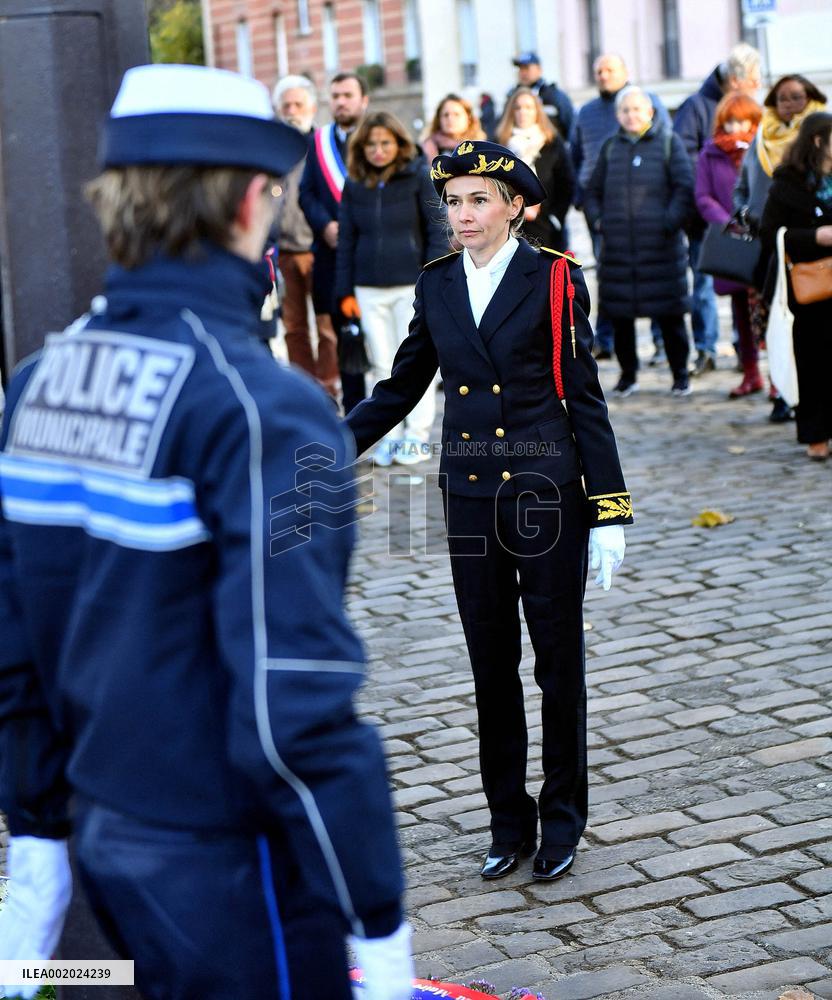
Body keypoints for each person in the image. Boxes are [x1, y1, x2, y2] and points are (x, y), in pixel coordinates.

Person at [0, 64, 412, 1000]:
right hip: (234, 859)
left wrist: (38, 838)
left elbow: (14, 649)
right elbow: (293, 696)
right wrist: (378, 927)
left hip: (107, 834)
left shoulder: (35, 383)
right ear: (253, 202)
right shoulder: (274, 413)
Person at [346, 139, 632, 883]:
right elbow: (402, 383)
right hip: (471, 498)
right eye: (454, 202)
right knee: (490, 663)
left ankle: (563, 817)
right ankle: (510, 820)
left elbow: (586, 400)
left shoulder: (556, 280)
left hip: (546, 494)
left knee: (557, 663)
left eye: (479, 200)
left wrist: (608, 509)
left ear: (514, 207)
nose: (463, 214)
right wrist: (323, 443)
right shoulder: (437, 285)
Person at [335, 111, 447, 466]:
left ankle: (416, 435)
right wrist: (345, 292)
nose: (378, 150)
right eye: (371, 144)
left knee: (414, 365)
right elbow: (347, 240)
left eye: (385, 143)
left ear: (398, 143)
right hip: (367, 286)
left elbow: (435, 231)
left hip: (410, 285)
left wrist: (430, 279)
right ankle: (390, 435)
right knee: (380, 364)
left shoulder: (417, 175)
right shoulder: (354, 184)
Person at [584, 86, 694, 396]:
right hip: (618, 251)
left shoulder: (669, 143)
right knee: (620, 319)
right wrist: (598, 221)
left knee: (670, 317)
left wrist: (668, 223)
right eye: (625, 110)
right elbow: (591, 193)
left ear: (650, 112)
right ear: (618, 115)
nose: (631, 115)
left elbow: (684, 188)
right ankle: (627, 375)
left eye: (637, 109)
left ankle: (680, 374)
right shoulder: (610, 147)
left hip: (661, 250)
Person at [734, 74, 827, 421]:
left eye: (796, 96)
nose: (789, 103)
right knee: (776, 325)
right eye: (782, 98)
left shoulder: (824, 129)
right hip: (773, 249)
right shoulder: (763, 138)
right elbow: (742, 185)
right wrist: (746, 213)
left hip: (817, 257)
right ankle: (781, 392)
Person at [570, 53, 672, 361]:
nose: (603, 75)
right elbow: (575, 155)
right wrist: (583, 199)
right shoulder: (585, 112)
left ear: (625, 72)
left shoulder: (647, 101)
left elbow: (666, 144)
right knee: (608, 274)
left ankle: (659, 342)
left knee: (654, 274)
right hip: (602, 208)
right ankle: (607, 341)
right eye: (599, 70)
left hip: (647, 207)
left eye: (609, 70)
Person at [675, 42, 762, 377]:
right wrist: (709, 177)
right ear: (737, 80)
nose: (757, 85)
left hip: (749, 224)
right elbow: (684, 156)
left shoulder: (752, 111)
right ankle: (707, 350)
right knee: (707, 288)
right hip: (708, 222)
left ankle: (748, 358)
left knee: (751, 295)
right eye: (753, 79)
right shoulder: (697, 106)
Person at [760, 112, 832, 460]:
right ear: (818, 141)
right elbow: (770, 234)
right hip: (808, 289)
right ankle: (816, 434)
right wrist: (815, 236)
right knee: (813, 359)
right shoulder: (787, 183)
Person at [299, 72, 369, 413]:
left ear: (363, 100)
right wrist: (324, 224)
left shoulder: (379, 140)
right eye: (336, 95)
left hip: (372, 255)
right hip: (333, 256)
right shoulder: (319, 142)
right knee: (345, 335)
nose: (341, 102)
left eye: (348, 95)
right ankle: (356, 412)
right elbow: (306, 193)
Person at [271, 74, 339, 396]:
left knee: (327, 326)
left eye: (298, 104)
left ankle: (328, 389)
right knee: (293, 327)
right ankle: (304, 391)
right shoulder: (272, 151)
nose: (292, 110)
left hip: (319, 249)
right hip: (283, 251)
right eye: (286, 105)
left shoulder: (324, 147)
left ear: (312, 107)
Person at [695, 93, 763, 398]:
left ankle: (780, 381)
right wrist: (727, 221)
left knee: (766, 308)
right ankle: (751, 372)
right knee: (740, 312)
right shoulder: (710, 153)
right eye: (730, 120)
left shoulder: (762, 150)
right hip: (731, 242)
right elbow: (703, 196)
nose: (735, 126)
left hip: (761, 236)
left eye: (742, 120)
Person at [496, 87, 575, 252]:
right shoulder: (499, 144)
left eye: (528, 107)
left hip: (546, 225)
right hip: (507, 226)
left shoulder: (552, 142)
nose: (523, 112)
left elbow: (566, 182)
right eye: (517, 107)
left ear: (537, 111)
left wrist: (555, 217)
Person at [506, 51, 574, 141]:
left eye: (526, 68)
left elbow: (571, 127)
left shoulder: (555, 96)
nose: (523, 73)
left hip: (551, 150)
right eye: (520, 69)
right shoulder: (512, 97)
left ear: (539, 70)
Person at [421, 93, 486, 162]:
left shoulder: (483, 151)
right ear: (438, 119)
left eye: (456, 114)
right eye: (446, 115)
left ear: (469, 119)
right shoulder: (424, 151)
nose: (450, 119)